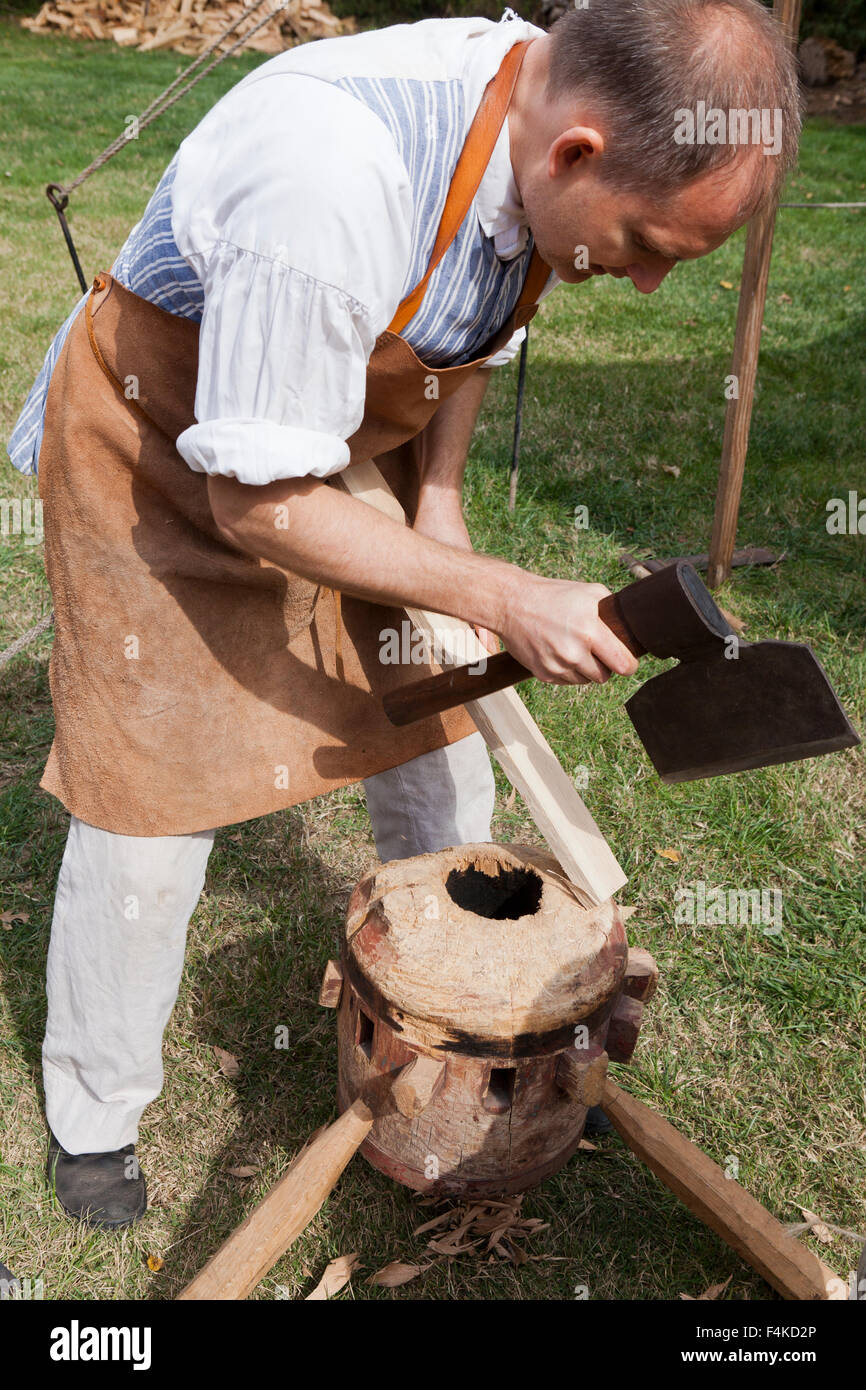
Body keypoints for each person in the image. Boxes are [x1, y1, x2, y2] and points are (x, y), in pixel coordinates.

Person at [6, 0, 800, 1227]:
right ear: (575, 153)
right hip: (168, 449)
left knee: (443, 752)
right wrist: (499, 593)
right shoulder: (329, 175)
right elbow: (258, 502)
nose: (643, 279)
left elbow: (476, 325)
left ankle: (470, 1036)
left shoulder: (529, 124)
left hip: (328, 440)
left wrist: (436, 514)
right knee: (151, 808)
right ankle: (95, 1115)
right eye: (646, 242)